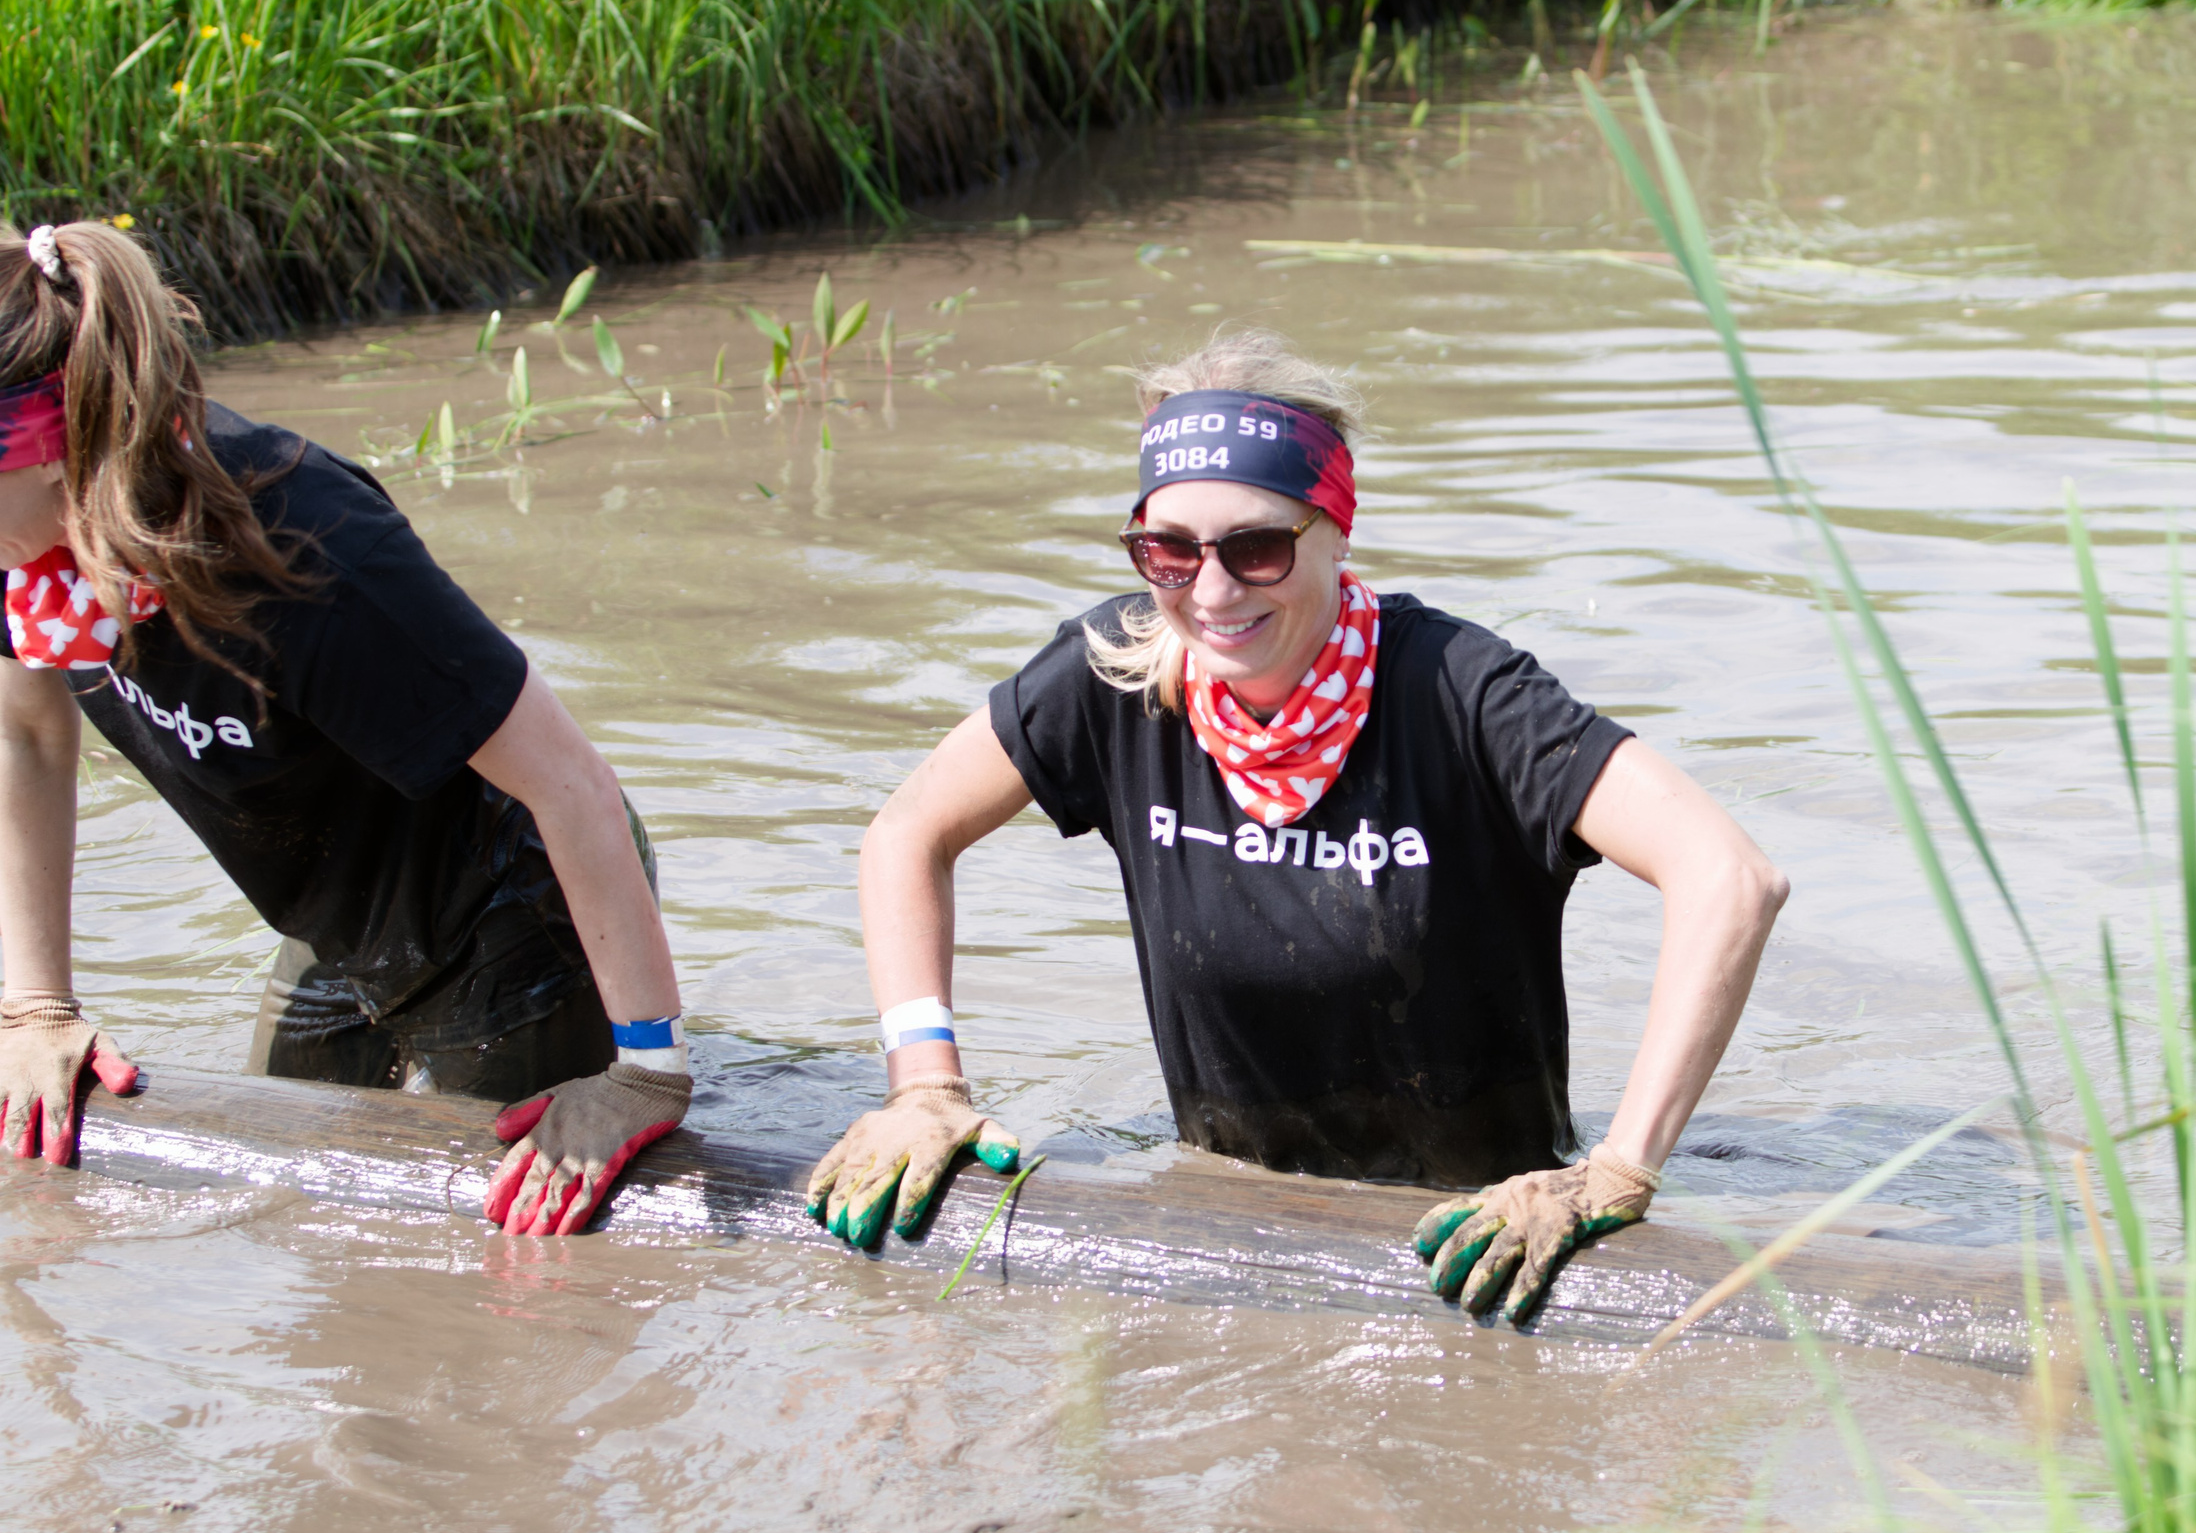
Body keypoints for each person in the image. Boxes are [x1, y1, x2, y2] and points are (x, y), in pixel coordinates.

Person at [809, 329, 1789, 1322]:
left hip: (1480, 1253)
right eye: (1168, 550)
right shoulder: (1113, 676)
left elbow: (1730, 877)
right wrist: (923, 1086)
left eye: (1258, 548)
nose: (1212, 591)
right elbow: (908, 831)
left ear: (1335, 529)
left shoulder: (1460, 691)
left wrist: (1618, 1171)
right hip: (1229, 1238)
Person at [0, 220, 687, 1236]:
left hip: (510, 915)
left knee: (499, 1268)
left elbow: (571, 782)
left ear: (52, 452)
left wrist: (646, 1074)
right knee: (294, 1222)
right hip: (340, 929)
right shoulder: (30, 555)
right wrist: (35, 1009)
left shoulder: (303, 544)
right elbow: (27, 734)